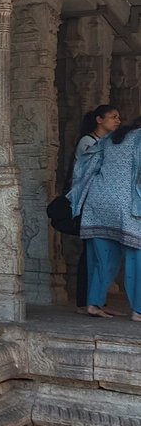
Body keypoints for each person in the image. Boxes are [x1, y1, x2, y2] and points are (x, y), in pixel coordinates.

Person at [68, 115, 141, 321]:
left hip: (97, 200)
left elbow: (86, 163)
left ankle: (94, 303)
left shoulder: (111, 138)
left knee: (102, 257)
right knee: (136, 255)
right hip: (126, 203)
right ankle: (139, 309)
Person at [72, 103, 121, 312]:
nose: (118, 120)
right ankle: (86, 301)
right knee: (91, 254)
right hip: (89, 201)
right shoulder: (88, 141)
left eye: (118, 117)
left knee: (98, 253)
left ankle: (95, 300)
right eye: (113, 117)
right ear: (99, 120)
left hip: (101, 202)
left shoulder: (109, 142)